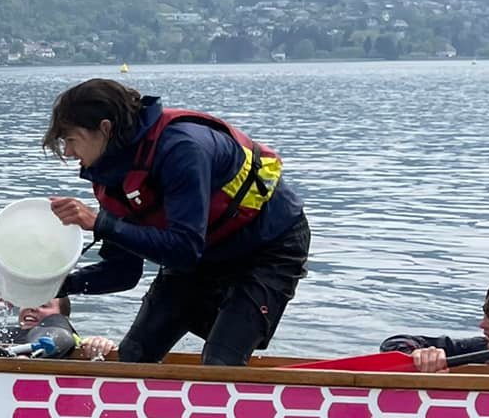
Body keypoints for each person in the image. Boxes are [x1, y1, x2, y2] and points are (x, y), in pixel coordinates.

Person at [43, 78, 309, 367]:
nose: (68, 153)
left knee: (220, 361)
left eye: (71, 139)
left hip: (267, 245)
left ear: (105, 128)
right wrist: (54, 286)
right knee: (134, 356)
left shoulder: (182, 148)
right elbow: (124, 273)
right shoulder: (110, 178)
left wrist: (100, 223)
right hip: (205, 253)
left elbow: (184, 249)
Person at [379, 273, 489, 372]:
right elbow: (394, 344)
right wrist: (419, 355)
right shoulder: (478, 349)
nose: (483, 325)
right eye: (486, 316)